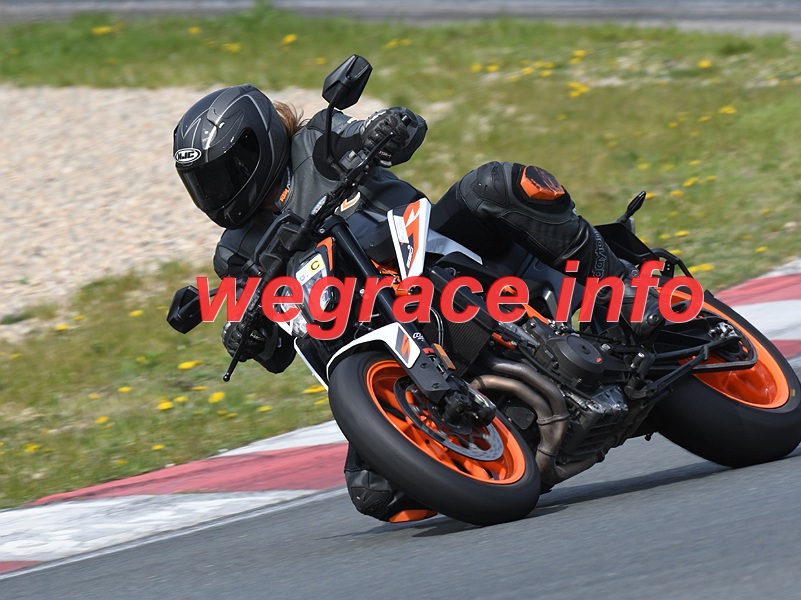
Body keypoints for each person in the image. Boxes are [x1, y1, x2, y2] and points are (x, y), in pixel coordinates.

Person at [173, 84, 643, 522]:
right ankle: (505, 444)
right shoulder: (235, 253)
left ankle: (627, 291)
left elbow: (393, 130)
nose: (216, 191)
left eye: (224, 173)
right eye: (203, 183)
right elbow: (278, 345)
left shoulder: (319, 140)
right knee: (377, 491)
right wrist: (250, 335)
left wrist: (388, 126)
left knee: (495, 184)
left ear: (257, 144)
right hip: (363, 327)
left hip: (437, 258)